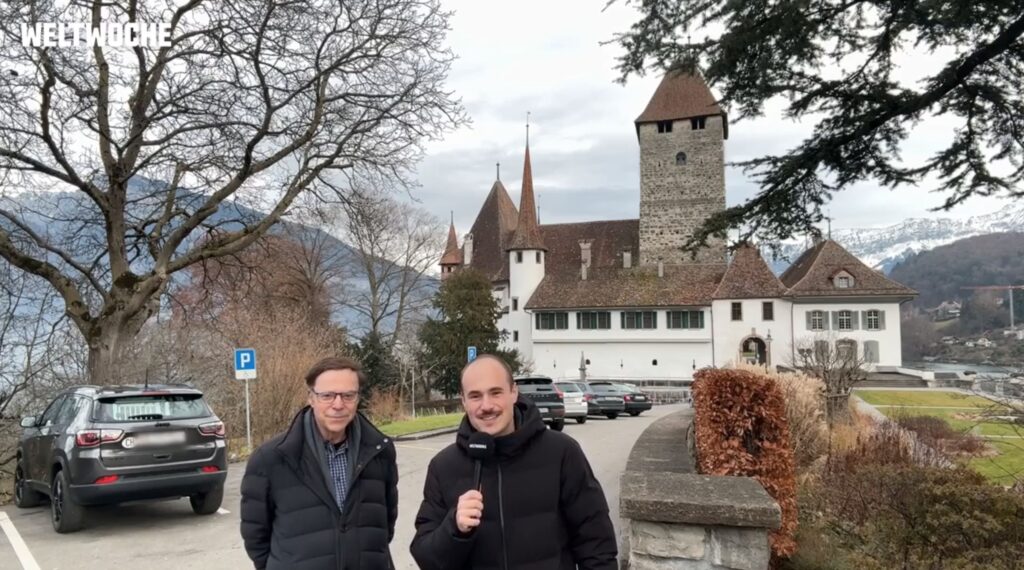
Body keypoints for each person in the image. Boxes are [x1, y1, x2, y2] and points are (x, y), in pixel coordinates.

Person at [410, 354, 618, 570]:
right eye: (475, 396)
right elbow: (426, 558)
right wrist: (454, 527)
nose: (486, 405)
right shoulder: (444, 467)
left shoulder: (562, 453)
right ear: (463, 401)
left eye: (496, 392)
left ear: (513, 393)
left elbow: (597, 546)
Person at [240, 356, 398, 570]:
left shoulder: (380, 452)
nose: (338, 404)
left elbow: (385, 524)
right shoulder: (271, 459)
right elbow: (255, 536)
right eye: (327, 396)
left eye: (348, 395)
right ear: (311, 398)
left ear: (358, 398)